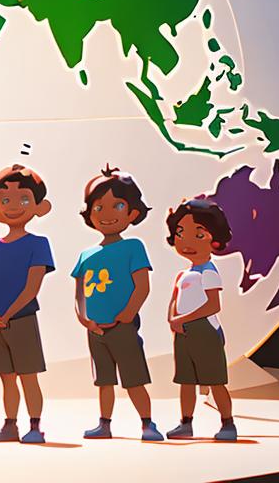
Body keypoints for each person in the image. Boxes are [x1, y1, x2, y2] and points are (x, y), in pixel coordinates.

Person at [71, 167, 163, 441]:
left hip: (122, 328)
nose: (107, 214)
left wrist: (125, 316)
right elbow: (79, 293)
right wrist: (84, 319)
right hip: (95, 330)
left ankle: (148, 423)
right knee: (104, 381)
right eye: (99, 207)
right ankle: (105, 424)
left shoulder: (133, 246)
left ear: (132, 213)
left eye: (117, 205)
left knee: (134, 378)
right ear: (89, 214)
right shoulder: (86, 254)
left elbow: (142, 287)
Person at [0, 165, 56, 444]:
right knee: (6, 378)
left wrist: (5, 315)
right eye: (5, 200)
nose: (13, 207)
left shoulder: (38, 243)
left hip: (21, 320)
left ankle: (35, 427)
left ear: (39, 206)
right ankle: (10, 425)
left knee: (28, 376)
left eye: (23, 200)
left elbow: (32, 287)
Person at [164, 197, 238, 442]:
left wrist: (183, 318)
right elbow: (174, 300)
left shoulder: (208, 271)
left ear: (214, 238)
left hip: (204, 330)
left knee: (214, 380)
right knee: (186, 381)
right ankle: (186, 423)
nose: (187, 242)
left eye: (199, 234)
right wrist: (173, 319)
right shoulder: (182, 274)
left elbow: (213, 304)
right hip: (183, 332)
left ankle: (228, 423)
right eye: (181, 233)